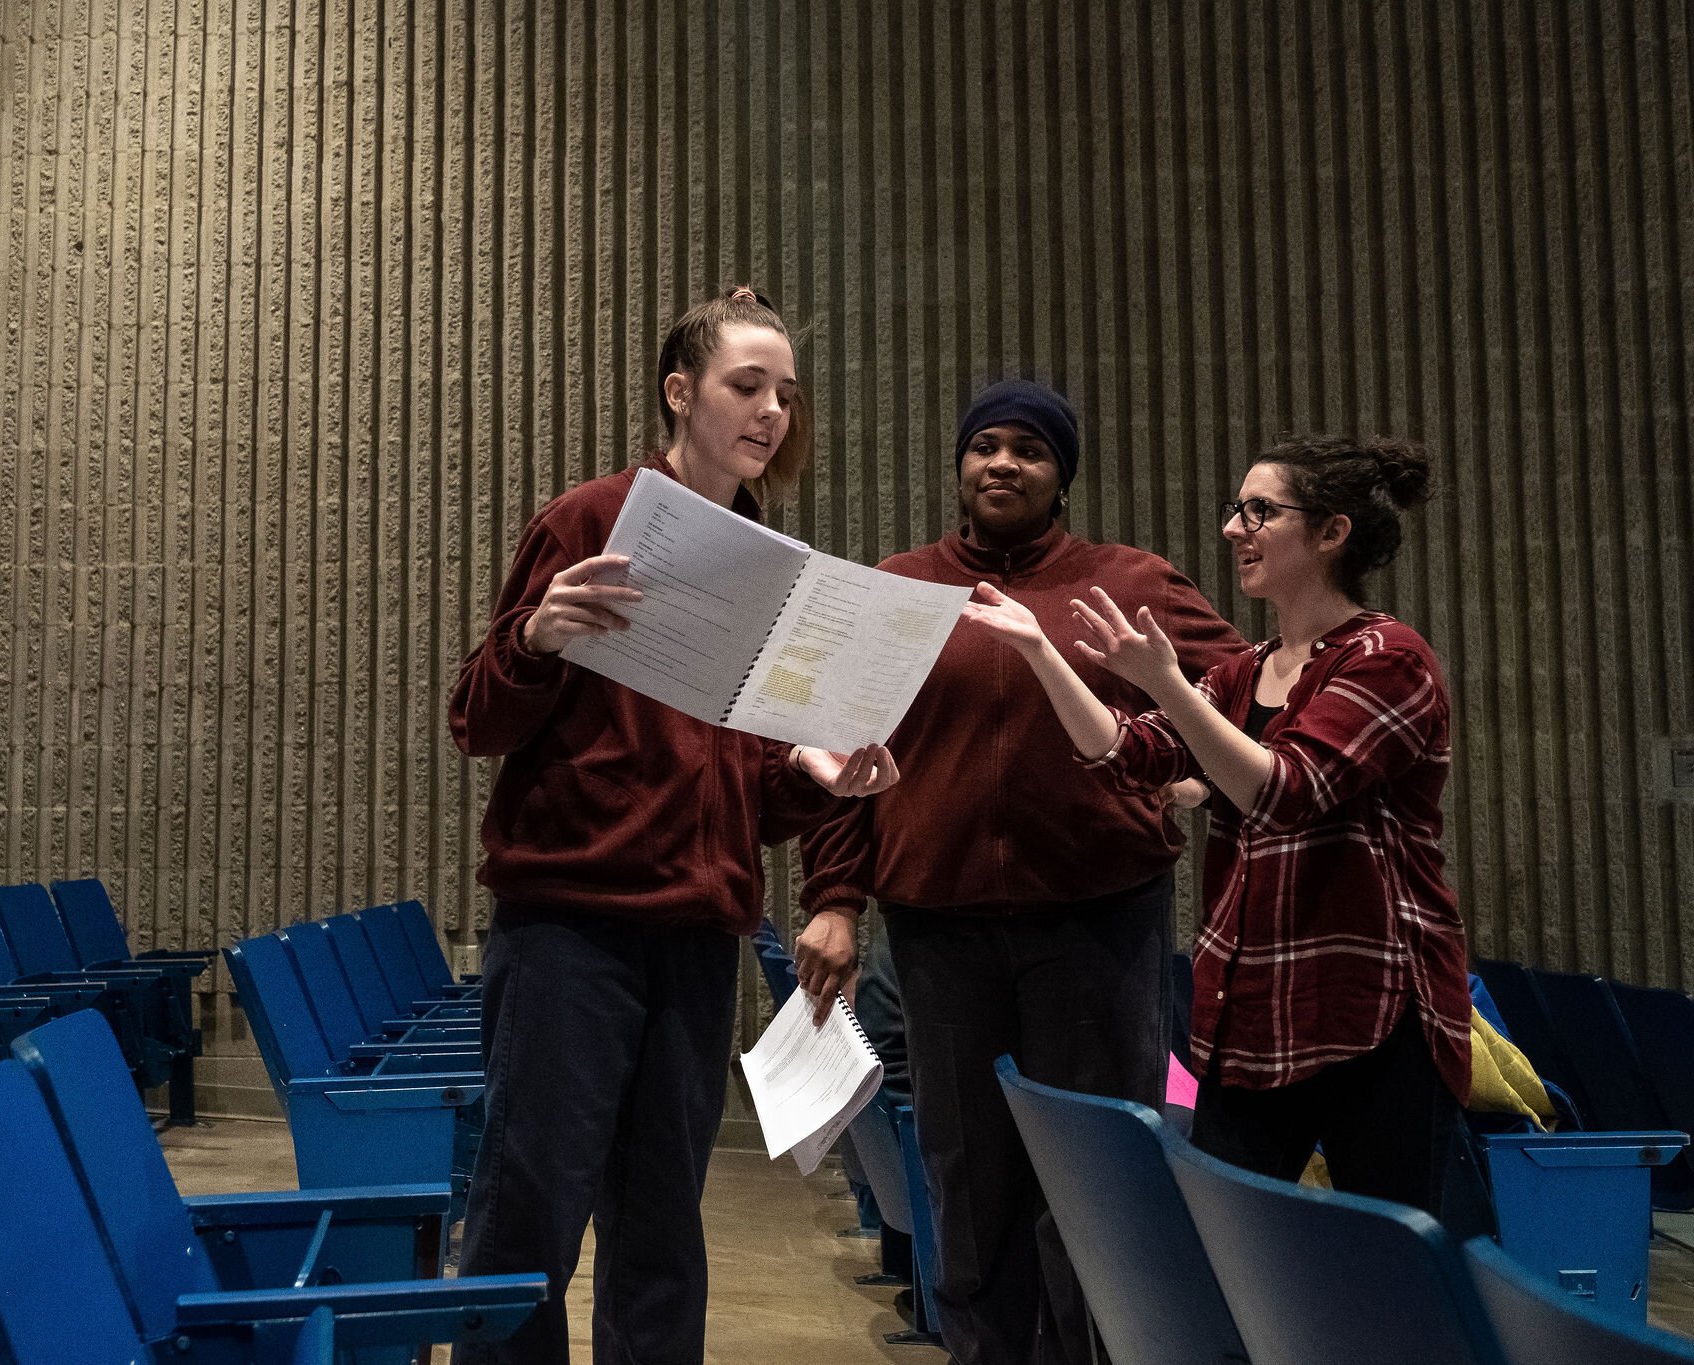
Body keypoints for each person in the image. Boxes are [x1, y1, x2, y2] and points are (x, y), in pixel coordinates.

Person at [448, 285, 899, 1365]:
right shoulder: (588, 521)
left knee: (660, 1226)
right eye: (747, 386)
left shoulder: (766, 563)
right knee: (529, 1217)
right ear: (678, 391)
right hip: (570, 929)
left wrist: (821, 783)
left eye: (785, 395)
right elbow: (476, 719)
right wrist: (537, 639)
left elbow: (741, 785)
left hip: (698, 936)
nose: (771, 412)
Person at [798, 379, 1245, 1365]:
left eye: (1029, 451)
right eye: (984, 446)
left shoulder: (1128, 581)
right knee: (969, 1175)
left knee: (1090, 1179)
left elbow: (1243, 694)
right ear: (959, 466)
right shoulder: (898, 591)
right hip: (938, 927)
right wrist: (833, 899)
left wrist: (1194, 776)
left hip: (1096, 925)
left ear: (1060, 477)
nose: (1002, 463)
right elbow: (836, 751)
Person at [962, 434, 1473, 1222]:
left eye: (1260, 511)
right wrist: (1039, 648)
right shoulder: (1248, 668)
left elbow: (1287, 791)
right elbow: (1130, 752)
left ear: (1332, 532)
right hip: (1254, 1010)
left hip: (1370, 1017)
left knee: (1393, 1276)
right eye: (1237, 510)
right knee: (1233, 1253)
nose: (1235, 529)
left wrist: (1164, 678)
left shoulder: (1388, 658)